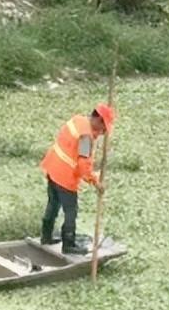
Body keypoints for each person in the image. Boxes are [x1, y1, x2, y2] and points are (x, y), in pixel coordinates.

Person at [39, 104, 115, 255]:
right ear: (98, 120)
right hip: (65, 177)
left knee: (53, 204)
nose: (102, 132)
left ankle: (46, 236)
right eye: (103, 128)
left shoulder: (77, 120)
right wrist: (96, 181)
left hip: (52, 168)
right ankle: (69, 244)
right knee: (71, 211)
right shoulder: (86, 138)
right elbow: (82, 166)